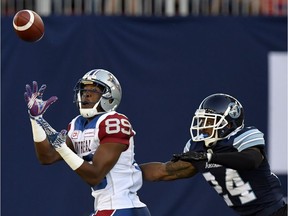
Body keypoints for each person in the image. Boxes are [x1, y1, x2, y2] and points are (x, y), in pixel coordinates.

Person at [24, 69, 151, 216]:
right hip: (108, 208)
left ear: (109, 96)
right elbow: (47, 157)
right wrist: (35, 119)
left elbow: (95, 175)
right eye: (84, 89)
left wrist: (63, 148)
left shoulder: (114, 122)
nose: (86, 94)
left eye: (94, 90)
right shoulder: (77, 124)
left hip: (121, 207)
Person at [140, 93, 287, 216]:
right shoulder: (198, 147)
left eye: (209, 121)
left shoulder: (242, 136)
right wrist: (129, 170)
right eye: (202, 121)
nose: (204, 126)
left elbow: (252, 160)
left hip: (276, 211)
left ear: (228, 124)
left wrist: (210, 157)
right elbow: (166, 171)